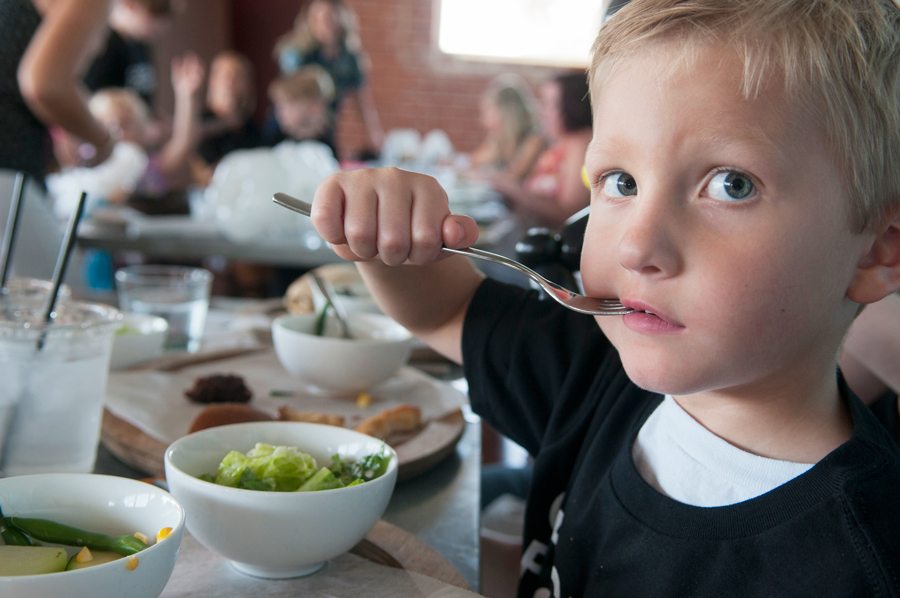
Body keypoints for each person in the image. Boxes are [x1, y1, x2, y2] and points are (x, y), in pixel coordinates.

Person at [304, 0, 900, 595]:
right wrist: (385, 236)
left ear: (877, 252)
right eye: (621, 182)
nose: (636, 245)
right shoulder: (592, 373)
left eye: (731, 185)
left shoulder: (862, 562)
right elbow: (447, 311)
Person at [0, 0, 115, 283]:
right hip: (7, 175)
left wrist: (65, 128)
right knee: (67, 304)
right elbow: (44, 83)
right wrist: (102, 139)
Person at [271, 0, 383, 159]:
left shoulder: (350, 59)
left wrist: (374, 136)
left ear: (342, 19)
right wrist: (307, 120)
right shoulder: (296, 54)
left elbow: (363, 102)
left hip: (323, 128)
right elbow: (286, 98)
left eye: (330, 16)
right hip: (291, 127)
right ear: (309, 21)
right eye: (318, 18)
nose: (325, 23)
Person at [489, 71, 593, 230]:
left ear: (572, 106)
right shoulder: (560, 141)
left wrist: (511, 188)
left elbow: (567, 214)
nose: (542, 111)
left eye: (548, 104)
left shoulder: (581, 144)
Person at [83, 0, 175, 110]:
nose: (160, 27)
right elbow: (89, 95)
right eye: (155, 17)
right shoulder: (103, 45)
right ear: (129, 4)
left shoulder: (142, 47)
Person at [192, 50, 260, 187]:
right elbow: (206, 177)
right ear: (213, 81)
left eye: (238, 76)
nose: (230, 82)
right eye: (225, 76)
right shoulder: (198, 125)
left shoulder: (252, 127)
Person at [467, 74, 546, 183]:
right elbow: (474, 160)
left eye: (487, 110)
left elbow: (514, 176)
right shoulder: (499, 138)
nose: (482, 118)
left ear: (505, 112)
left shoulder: (534, 138)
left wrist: (484, 175)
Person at [266, 65, 335, 153]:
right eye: (278, 106)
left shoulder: (332, 143)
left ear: (314, 106)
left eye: (286, 105)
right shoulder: (275, 139)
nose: (278, 112)